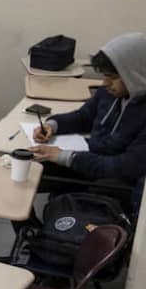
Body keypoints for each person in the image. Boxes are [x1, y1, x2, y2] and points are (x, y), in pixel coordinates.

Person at [30, 32, 146, 209]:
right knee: (23, 171)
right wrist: (52, 125)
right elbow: (84, 116)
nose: (105, 83)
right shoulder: (111, 92)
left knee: (62, 204)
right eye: (105, 76)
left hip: (113, 179)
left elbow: (126, 167)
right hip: (90, 161)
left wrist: (66, 157)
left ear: (136, 75)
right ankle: (30, 228)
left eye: (113, 77)